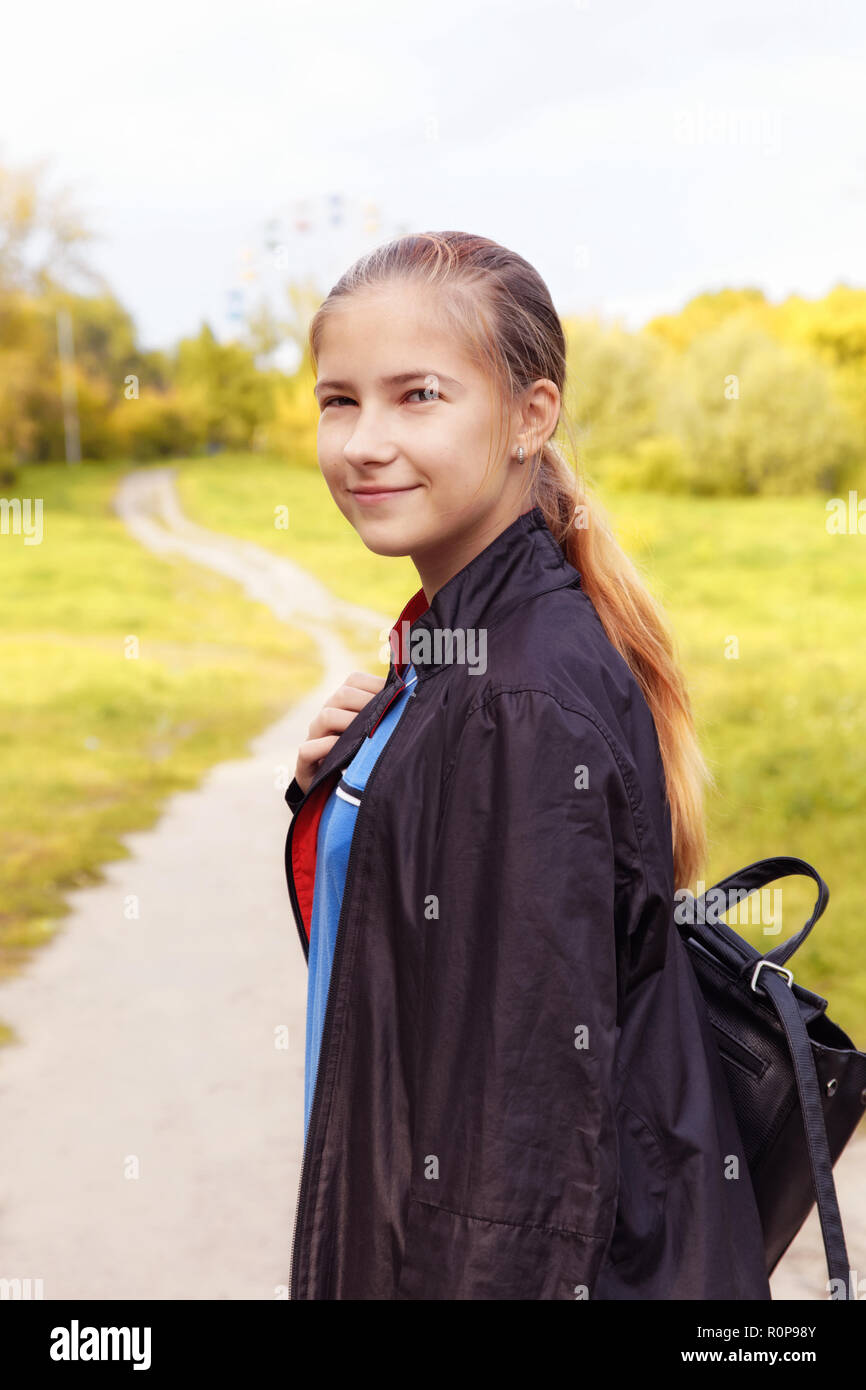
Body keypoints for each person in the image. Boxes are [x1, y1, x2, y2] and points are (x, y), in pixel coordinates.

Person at [283, 229, 771, 1300]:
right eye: (338, 401)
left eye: (418, 395)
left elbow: (515, 1162)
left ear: (529, 415)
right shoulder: (465, 649)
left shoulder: (516, 695)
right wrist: (363, 782)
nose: (364, 442)